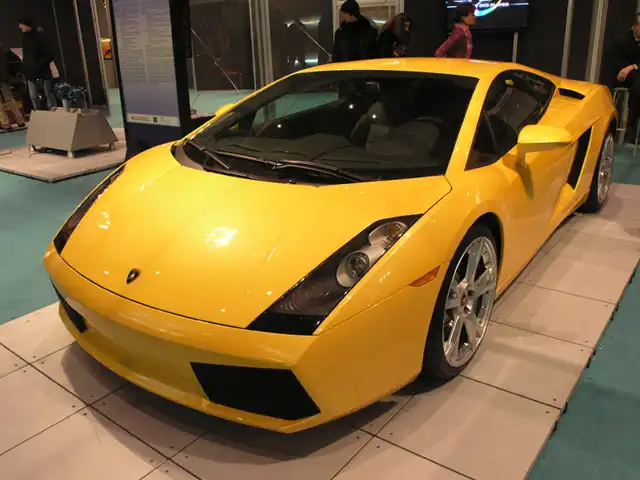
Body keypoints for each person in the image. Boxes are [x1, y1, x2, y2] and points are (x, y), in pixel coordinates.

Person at [611, 13, 640, 141]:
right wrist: (630, 68)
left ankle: (633, 122)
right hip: (625, 78)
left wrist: (633, 66)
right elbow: (618, 66)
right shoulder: (621, 42)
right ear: (633, 27)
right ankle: (632, 122)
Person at [18, 17, 56, 111]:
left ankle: (53, 114)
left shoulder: (39, 36)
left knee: (48, 94)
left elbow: (49, 54)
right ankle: (38, 114)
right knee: (33, 96)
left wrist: (39, 66)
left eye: (21, 24)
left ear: (27, 24)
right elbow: (27, 55)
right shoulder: (25, 37)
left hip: (42, 71)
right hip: (30, 72)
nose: (19, 27)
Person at [0, 42, 26, 130]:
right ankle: (19, 120)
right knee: (9, 99)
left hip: (2, 77)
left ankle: (6, 123)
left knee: (8, 99)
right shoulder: (2, 47)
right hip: (3, 76)